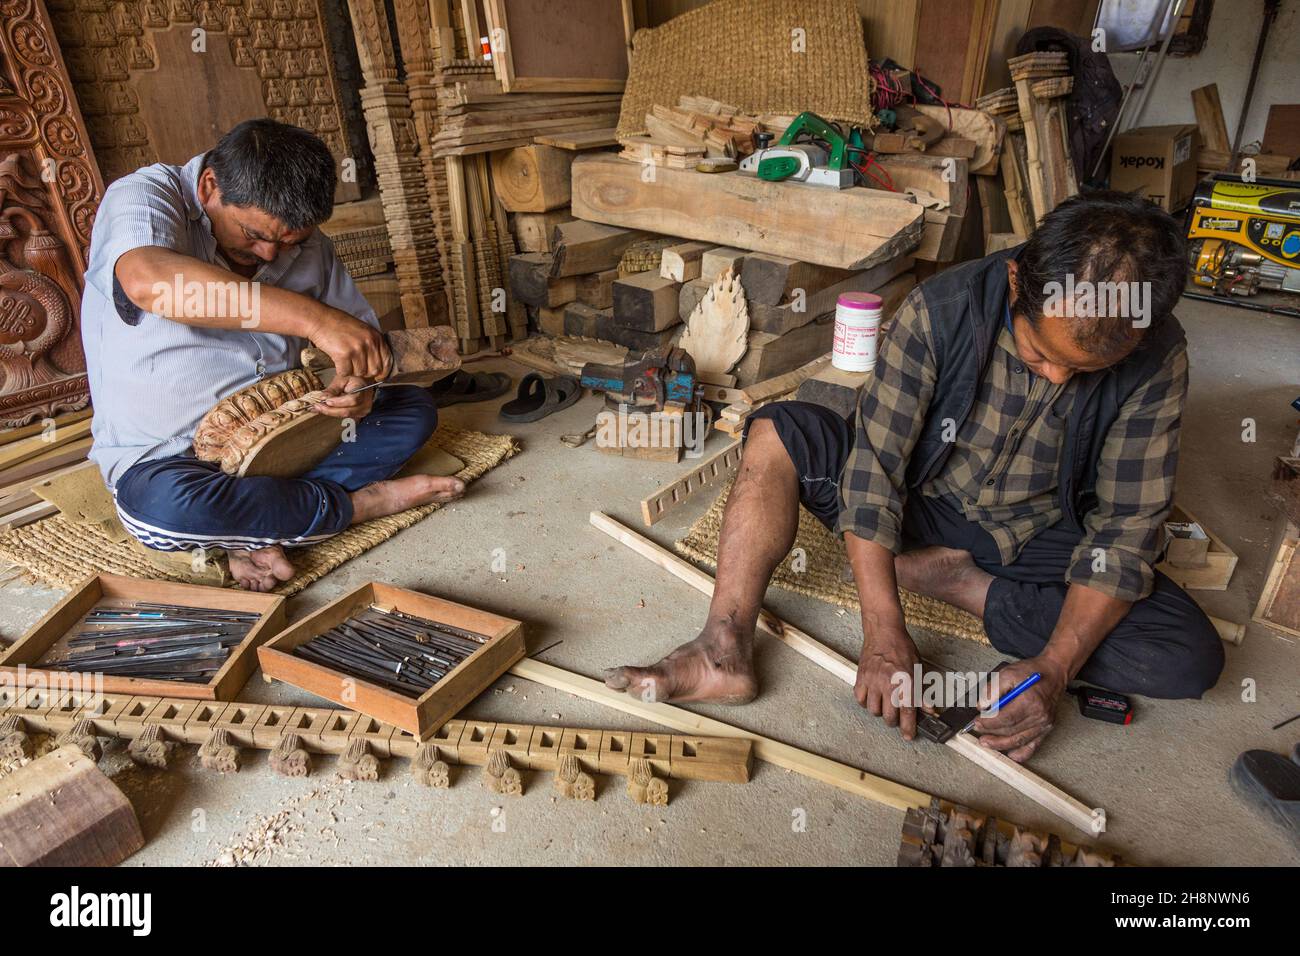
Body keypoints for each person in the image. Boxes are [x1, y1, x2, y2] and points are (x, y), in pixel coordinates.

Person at [606, 191, 1225, 763]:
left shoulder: (1157, 354)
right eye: (1039, 354)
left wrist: (1052, 670)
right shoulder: (944, 307)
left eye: (1085, 371)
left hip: (1038, 534)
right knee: (778, 429)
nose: (1057, 380)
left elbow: (1124, 529)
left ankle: (957, 583)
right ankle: (722, 648)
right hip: (920, 500)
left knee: (1187, 656)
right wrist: (883, 630)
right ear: (1017, 281)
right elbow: (875, 471)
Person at [81, 119, 464, 591]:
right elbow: (150, 282)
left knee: (412, 411)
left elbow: (359, 352)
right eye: (253, 233)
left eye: (289, 243)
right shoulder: (146, 195)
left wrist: (358, 390)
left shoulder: (307, 246)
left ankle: (253, 526)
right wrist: (315, 320)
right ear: (209, 186)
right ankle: (362, 505)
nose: (267, 253)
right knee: (164, 515)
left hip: (286, 438)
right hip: (171, 460)